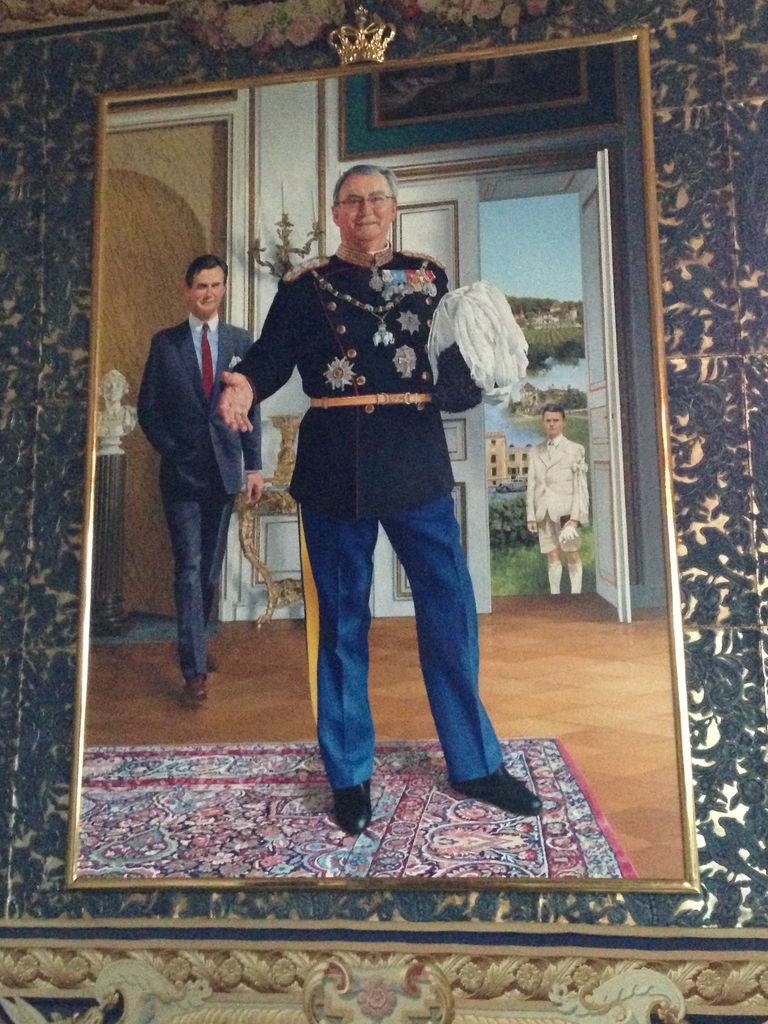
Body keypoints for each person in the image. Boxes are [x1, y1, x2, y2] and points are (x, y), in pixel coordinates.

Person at [217, 164, 541, 835]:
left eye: (376, 199)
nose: (365, 210)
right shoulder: (305, 288)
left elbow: (456, 360)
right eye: (352, 201)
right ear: (336, 214)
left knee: (449, 612)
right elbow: (271, 355)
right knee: (341, 625)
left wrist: (480, 366)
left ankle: (475, 763)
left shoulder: (427, 277)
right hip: (334, 468)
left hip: (416, 463)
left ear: (393, 209)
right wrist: (243, 384)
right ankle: (349, 775)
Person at [138, 254, 264, 708]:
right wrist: (174, 451)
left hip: (224, 473)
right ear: (187, 291)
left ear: (223, 289)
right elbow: (148, 410)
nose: (208, 293)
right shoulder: (165, 344)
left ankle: (192, 638)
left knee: (208, 570)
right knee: (189, 569)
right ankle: (193, 670)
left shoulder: (240, 342)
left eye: (215, 285)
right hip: (181, 477)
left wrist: (253, 466)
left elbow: (251, 410)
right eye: (200, 286)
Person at [526, 404, 589, 595]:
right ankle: (555, 596)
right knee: (552, 555)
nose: (552, 424)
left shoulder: (575, 449)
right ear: (543, 423)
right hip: (544, 511)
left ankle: (576, 595)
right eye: (548, 421)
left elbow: (580, 487)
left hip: (566, 512)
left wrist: (576, 518)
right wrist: (531, 516)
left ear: (563, 422)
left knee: (572, 553)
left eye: (555, 420)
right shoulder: (535, 451)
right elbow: (531, 485)